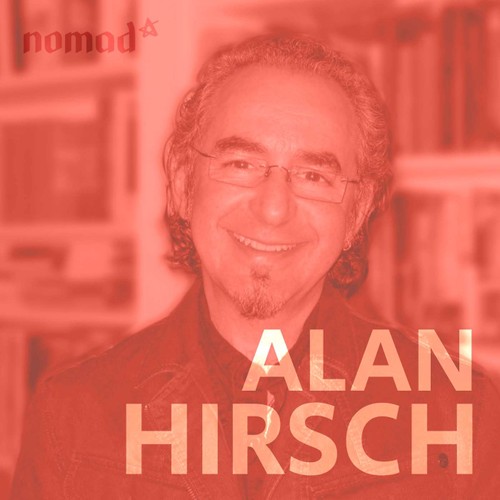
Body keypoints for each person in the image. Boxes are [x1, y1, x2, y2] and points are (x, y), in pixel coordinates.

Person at [11, 34, 500, 499]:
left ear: (356, 213)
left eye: (314, 175)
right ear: (182, 184)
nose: (273, 209)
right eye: (240, 164)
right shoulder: (70, 416)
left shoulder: (462, 413)